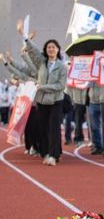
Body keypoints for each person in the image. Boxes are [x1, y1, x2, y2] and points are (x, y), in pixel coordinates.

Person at [16, 20, 68, 166]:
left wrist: (42, 86)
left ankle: (53, 155)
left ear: (58, 50)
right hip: (42, 101)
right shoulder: (41, 63)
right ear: (45, 50)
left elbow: (60, 86)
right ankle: (46, 152)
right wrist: (24, 35)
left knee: (53, 128)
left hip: (56, 101)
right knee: (43, 128)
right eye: (48, 47)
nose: (51, 49)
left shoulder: (62, 67)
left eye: (53, 47)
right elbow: (32, 50)